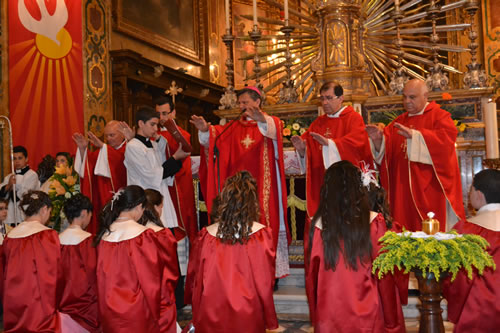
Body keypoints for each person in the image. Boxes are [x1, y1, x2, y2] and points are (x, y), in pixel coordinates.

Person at [190, 87, 290, 279]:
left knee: (264, 219)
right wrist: (204, 131)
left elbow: (273, 131)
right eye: (240, 103)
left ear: (257, 102)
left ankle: (269, 271)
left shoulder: (271, 123)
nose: (242, 106)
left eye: (245, 102)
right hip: (238, 190)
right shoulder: (233, 126)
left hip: (263, 184)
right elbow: (216, 138)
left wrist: (261, 120)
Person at [305, 161, 406, 332]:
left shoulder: (315, 224)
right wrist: (391, 318)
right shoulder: (374, 223)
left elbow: (311, 278)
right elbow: (385, 275)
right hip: (368, 314)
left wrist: (317, 316)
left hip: (329, 314)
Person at [366, 79, 465, 231]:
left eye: (412, 97)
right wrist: (378, 140)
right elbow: (385, 156)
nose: (407, 101)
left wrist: (416, 136)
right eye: (404, 97)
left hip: (429, 190)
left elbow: (446, 143)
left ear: (425, 96)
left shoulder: (439, 117)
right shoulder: (399, 122)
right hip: (402, 191)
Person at [187, 171, 279, 332]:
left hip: (211, 309)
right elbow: (265, 282)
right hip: (248, 311)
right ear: (252, 202)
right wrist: (269, 316)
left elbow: (196, 279)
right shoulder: (261, 236)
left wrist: (196, 310)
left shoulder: (206, 236)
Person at [291, 81, 374, 254]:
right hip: (324, 185)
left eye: (329, 98)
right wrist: (301, 149)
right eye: (322, 98)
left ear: (341, 98)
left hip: (345, 187)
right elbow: (309, 145)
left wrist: (331, 144)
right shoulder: (318, 123)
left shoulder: (353, 118)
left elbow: (358, 144)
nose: (325, 102)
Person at [95, 185, 171, 332]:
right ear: (138, 207)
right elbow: (151, 280)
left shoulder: (104, 236)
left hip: (109, 309)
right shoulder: (143, 236)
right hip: (136, 310)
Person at [442, 169, 500, 333]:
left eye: (471, 189)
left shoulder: (466, 230)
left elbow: (455, 278)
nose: (470, 193)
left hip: (479, 311)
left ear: (479, 194)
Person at [2, 191, 61, 332]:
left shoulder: (10, 237)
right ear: (44, 209)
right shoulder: (47, 235)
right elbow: (53, 274)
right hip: (37, 301)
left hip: (13, 300)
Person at [124, 106, 190, 229]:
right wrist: (175, 158)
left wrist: (178, 158)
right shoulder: (133, 146)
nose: (156, 129)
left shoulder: (154, 144)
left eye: (157, 125)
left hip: (161, 193)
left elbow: (164, 169)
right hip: (145, 198)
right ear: (140, 123)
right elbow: (151, 175)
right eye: (152, 124)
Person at [73, 121, 130, 234]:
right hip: (103, 200)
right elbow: (89, 164)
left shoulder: (129, 148)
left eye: (112, 135)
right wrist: (83, 149)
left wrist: (103, 147)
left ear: (123, 135)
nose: (108, 139)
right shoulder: (103, 151)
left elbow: (119, 161)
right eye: (106, 136)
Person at [156, 96, 198, 244]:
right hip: (158, 184)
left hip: (177, 184)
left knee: (181, 222)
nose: (161, 118)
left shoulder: (181, 134)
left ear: (173, 113)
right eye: (158, 114)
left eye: (165, 113)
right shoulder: (152, 135)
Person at [140, 189, 180, 333]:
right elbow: (171, 270)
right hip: (161, 294)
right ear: (156, 207)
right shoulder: (163, 235)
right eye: (161, 206)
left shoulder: (136, 233)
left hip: (141, 295)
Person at [58, 194, 100, 332]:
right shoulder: (91, 242)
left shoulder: (54, 242)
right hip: (87, 310)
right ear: (84, 213)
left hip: (60, 308)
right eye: (90, 214)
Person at [0, 146, 40, 226]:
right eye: (14, 159)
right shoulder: (9, 177)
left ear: (26, 159)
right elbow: (2, 196)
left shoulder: (32, 175)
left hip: (24, 215)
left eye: (20, 158)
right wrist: (8, 185)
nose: (17, 161)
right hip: (10, 216)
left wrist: (15, 186)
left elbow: (26, 195)